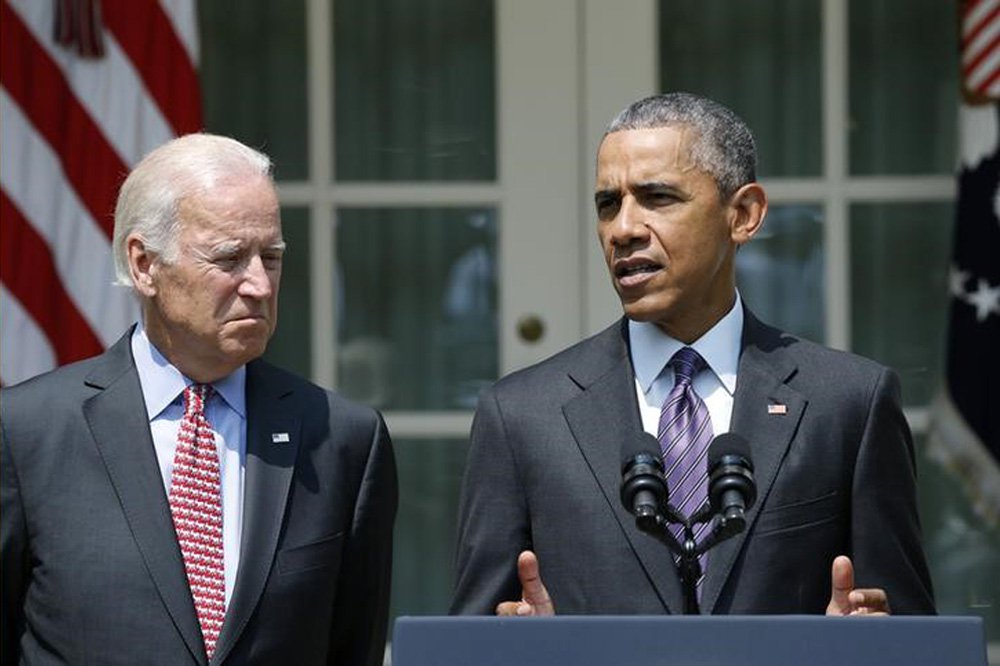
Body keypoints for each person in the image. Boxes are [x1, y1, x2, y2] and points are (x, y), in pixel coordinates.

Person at [450, 93, 935, 617]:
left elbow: (910, 629)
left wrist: (862, 640)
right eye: (608, 204)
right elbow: (470, 635)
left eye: (657, 197)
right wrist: (521, 645)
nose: (623, 229)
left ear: (743, 215)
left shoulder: (849, 404)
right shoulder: (521, 416)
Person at [0, 134, 397, 665]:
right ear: (144, 264)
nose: (260, 285)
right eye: (229, 258)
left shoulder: (341, 439)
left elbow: (354, 645)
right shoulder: (27, 432)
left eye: (271, 257)